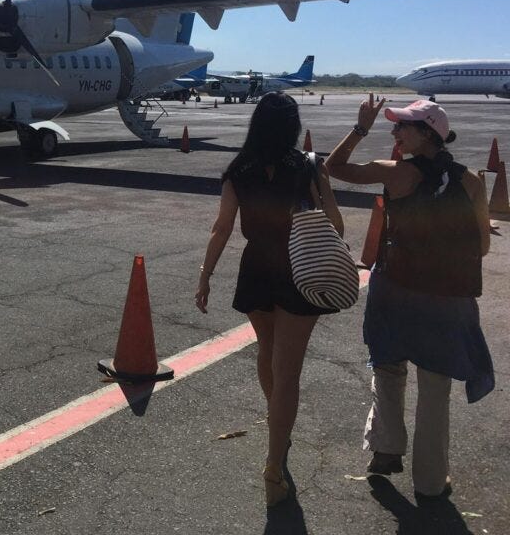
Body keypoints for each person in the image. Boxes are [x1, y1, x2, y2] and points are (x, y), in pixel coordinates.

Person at [325, 95, 492, 500]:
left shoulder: (396, 173)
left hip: (395, 291)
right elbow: (483, 246)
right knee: (435, 388)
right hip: (446, 299)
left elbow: (332, 168)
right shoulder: (471, 180)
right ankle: (431, 483)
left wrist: (360, 128)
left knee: (388, 369)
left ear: (427, 133)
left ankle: (385, 451)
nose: (396, 131)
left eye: (404, 125)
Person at [195, 91, 343, 507]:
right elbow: (335, 223)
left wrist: (205, 276)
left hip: (256, 265)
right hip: (300, 267)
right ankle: (274, 462)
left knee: (268, 351)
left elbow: (221, 227)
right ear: (293, 126)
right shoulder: (308, 167)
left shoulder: (238, 169)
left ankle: (279, 424)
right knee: (288, 370)